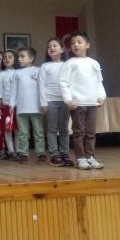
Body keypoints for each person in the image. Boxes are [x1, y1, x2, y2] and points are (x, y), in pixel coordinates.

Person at [59, 31, 106, 170]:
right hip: (77, 103)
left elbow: (99, 82)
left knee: (91, 132)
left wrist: (101, 96)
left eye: (79, 42)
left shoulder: (94, 63)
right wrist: (68, 100)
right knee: (79, 132)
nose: (76, 45)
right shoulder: (69, 63)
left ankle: (90, 157)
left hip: (92, 103)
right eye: (73, 43)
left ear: (87, 45)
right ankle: (80, 158)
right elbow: (63, 83)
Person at [39, 39, 73, 167]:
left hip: (65, 100)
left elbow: (71, 82)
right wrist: (43, 102)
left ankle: (64, 153)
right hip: (50, 100)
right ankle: (54, 154)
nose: (51, 48)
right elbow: (41, 85)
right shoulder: (45, 66)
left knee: (64, 128)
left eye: (54, 45)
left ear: (62, 49)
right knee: (52, 128)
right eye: (49, 46)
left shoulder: (67, 64)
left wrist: (71, 99)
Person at [10, 47, 46, 164]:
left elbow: (43, 88)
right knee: (23, 133)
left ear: (31, 58)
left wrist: (43, 103)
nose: (19, 59)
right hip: (21, 108)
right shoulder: (16, 73)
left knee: (38, 132)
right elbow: (14, 90)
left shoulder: (39, 70)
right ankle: (23, 153)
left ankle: (40, 153)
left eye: (22, 56)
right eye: (18, 57)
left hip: (36, 107)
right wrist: (12, 104)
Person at [0, 50, 18, 160]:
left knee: (18, 129)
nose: (7, 59)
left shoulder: (18, 73)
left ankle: (19, 150)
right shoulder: (0, 75)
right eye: (5, 57)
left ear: (15, 59)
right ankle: (11, 151)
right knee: (7, 129)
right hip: (5, 106)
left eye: (10, 57)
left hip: (18, 106)